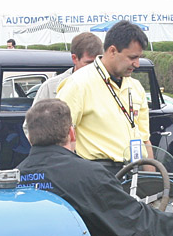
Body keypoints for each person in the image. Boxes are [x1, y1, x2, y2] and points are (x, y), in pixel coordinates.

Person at [17, 99, 173, 236]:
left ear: (30, 138)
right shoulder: (87, 175)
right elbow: (136, 223)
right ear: (72, 133)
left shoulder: (15, 176)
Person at [58, 20, 152, 173]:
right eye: (132, 57)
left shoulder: (135, 87)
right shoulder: (78, 84)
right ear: (112, 51)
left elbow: (145, 140)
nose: (137, 64)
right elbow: (60, 140)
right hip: (96, 173)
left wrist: (152, 183)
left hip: (133, 172)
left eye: (139, 57)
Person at [22, 32, 102, 140]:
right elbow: (30, 127)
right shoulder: (50, 87)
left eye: (98, 63)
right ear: (74, 58)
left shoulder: (108, 86)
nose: (94, 68)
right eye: (88, 63)